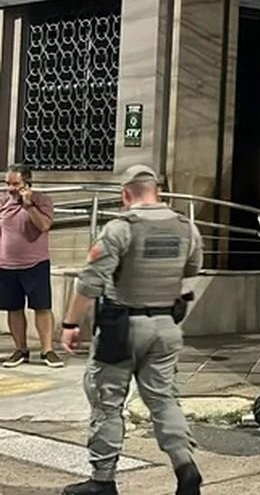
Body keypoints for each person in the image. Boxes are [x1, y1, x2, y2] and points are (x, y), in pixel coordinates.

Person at [59, 165, 204, 495]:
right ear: (159, 192)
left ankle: (103, 480)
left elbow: (90, 282)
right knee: (164, 400)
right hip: (166, 327)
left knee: (107, 402)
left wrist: (70, 324)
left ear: (125, 194)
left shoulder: (120, 228)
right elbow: (192, 269)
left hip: (121, 328)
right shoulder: (186, 227)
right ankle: (186, 467)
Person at [1, 164, 62, 369]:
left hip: (35, 264)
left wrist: (28, 205)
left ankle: (47, 350)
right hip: (6, 265)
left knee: (42, 307)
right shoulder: (3, 202)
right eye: (8, 183)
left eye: (15, 184)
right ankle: (20, 349)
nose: (10, 188)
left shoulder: (42, 201)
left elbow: (44, 225)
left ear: (27, 182)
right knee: (13, 308)